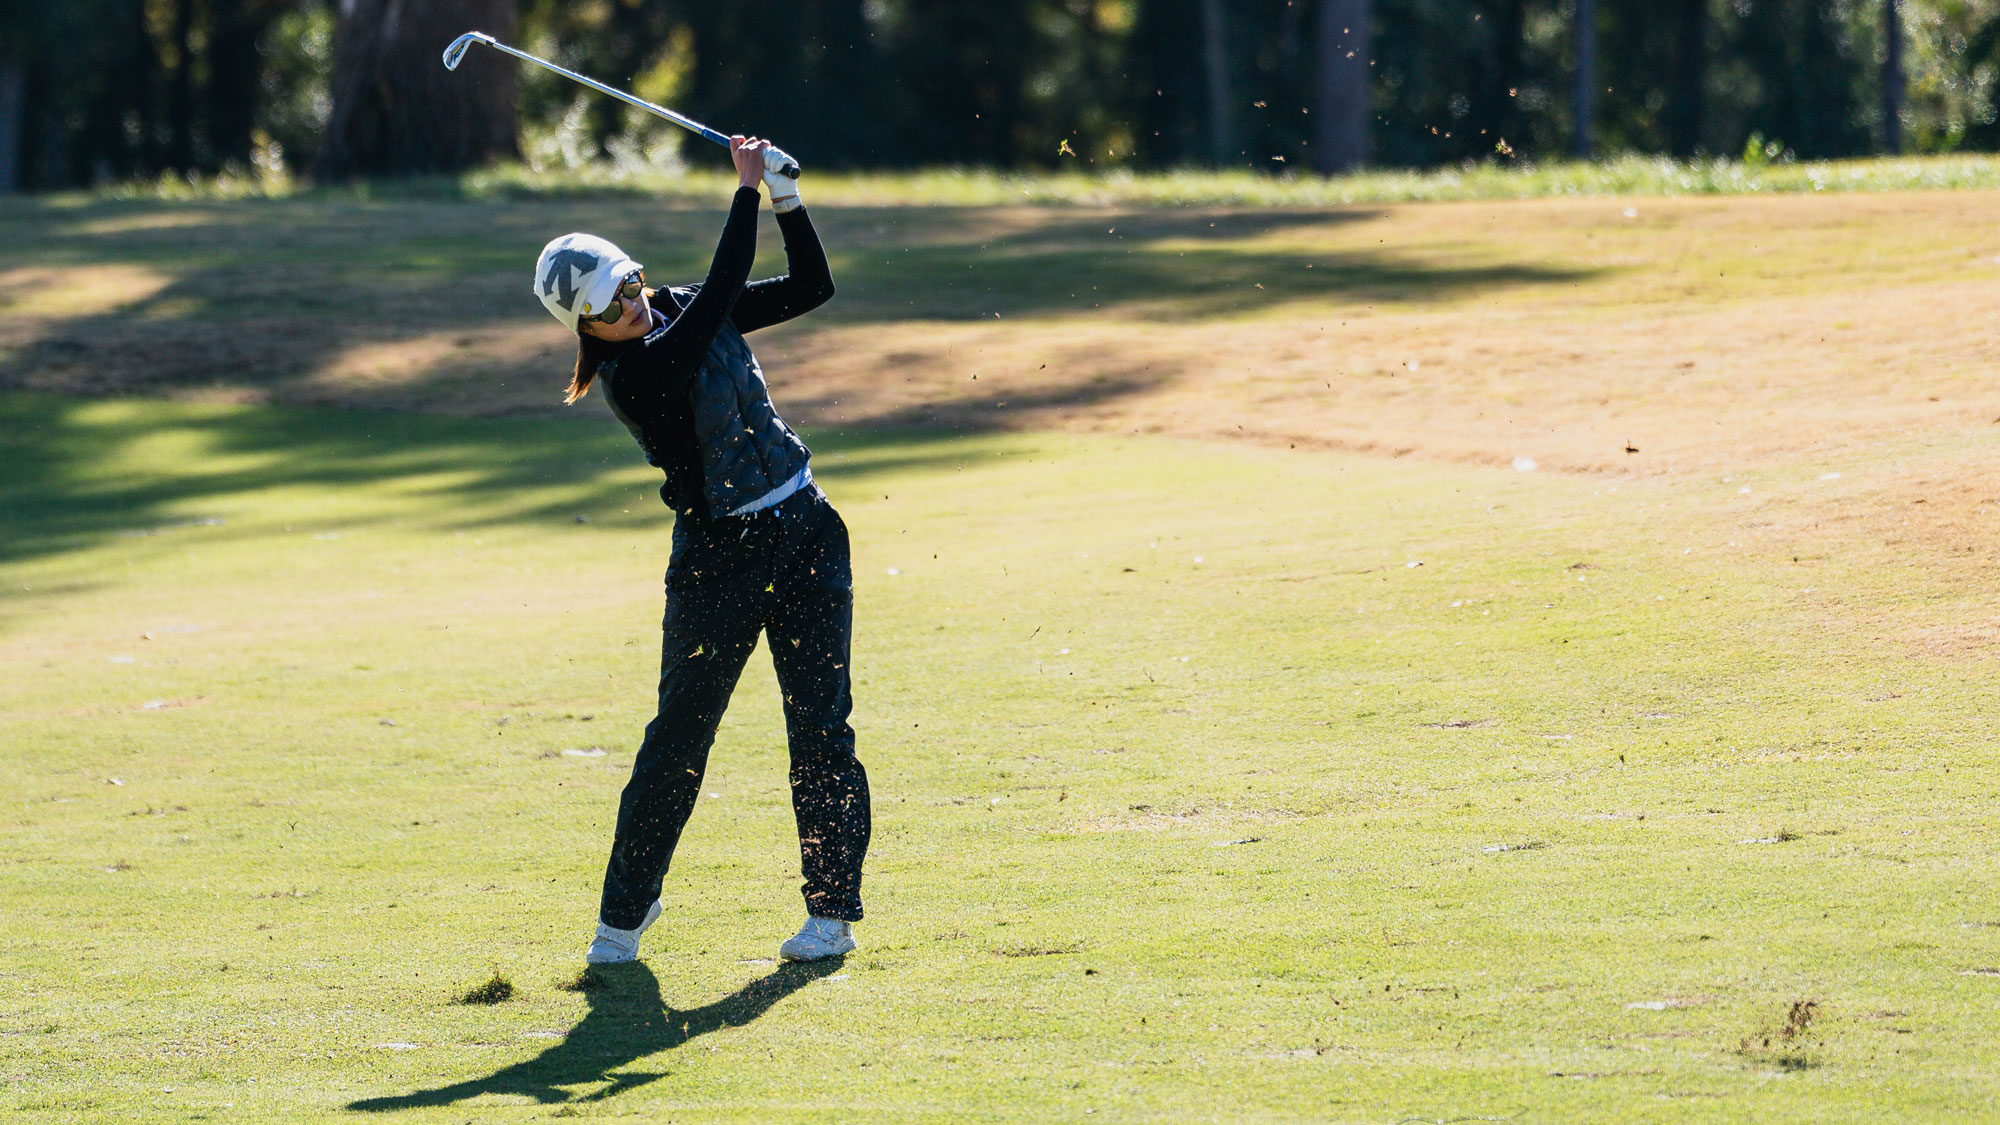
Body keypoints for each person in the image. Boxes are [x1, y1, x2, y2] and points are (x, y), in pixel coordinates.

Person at [530, 137, 868, 965]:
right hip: (720, 559)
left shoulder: (675, 306)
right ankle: (621, 920)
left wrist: (789, 200)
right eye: (612, 307)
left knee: (822, 728)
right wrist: (747, 192)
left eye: (633, 285)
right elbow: (719, 293)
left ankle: (830, 915)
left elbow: (811, 287)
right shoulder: (635, 374)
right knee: (680, 739)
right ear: (587, 328)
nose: (635, 307)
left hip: (806, 529)